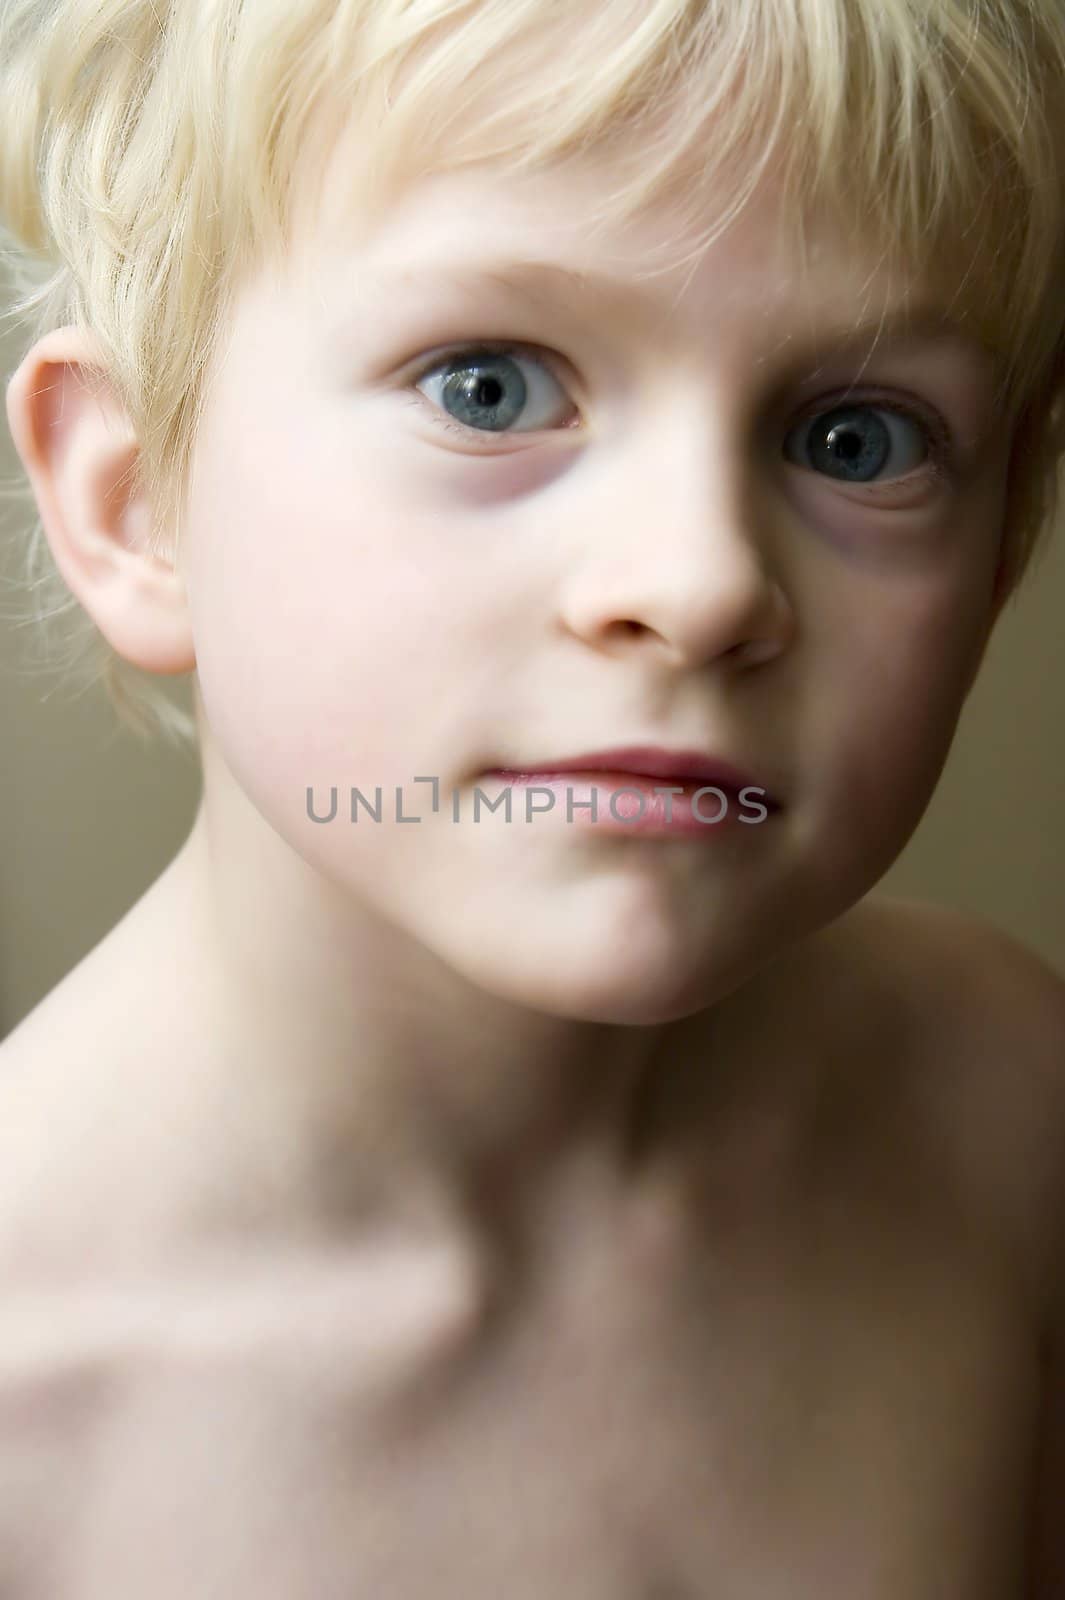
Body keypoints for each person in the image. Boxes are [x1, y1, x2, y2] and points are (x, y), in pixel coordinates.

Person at [0, 0, 1063, 1592]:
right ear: (135, 500)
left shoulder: (1010, 1117)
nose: (701, 582)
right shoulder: (37, 1405)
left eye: (857, 437)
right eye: (486, 387)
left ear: (998, 562)